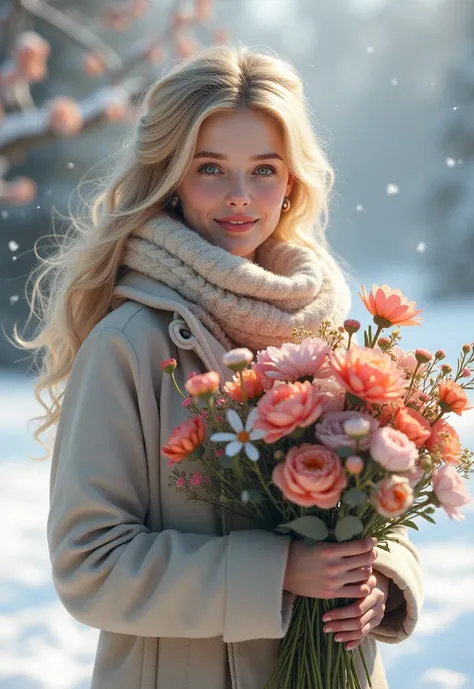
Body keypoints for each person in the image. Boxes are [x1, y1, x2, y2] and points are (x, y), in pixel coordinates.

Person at [18, 42, 423, 689]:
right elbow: (88, 565)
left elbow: (375, 506)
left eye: (264, 169)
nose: (241, 197)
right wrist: (278, 571)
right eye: (211, 168)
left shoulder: (328, 325)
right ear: (171, 177)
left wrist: (380, 580)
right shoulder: (129, 343)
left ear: (292, 180)